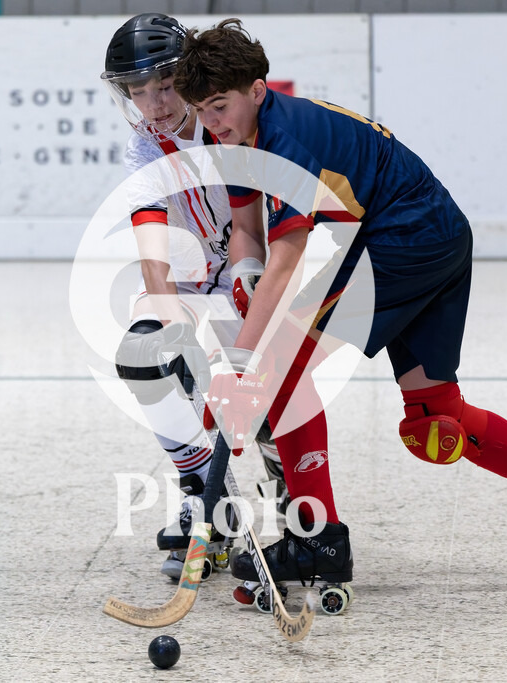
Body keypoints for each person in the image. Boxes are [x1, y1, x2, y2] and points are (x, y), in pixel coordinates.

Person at [174, 18, 507, 590]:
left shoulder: (284, 142)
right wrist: (245, 282)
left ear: (257, 89)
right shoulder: (236, 136)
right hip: (434, 232)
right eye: (201, 109)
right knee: (435, 417)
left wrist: (244, 367)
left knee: (283, 367)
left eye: (220, 105)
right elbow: (249, 229)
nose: (210, 121)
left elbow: (289, 255)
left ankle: (317, 539)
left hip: (407, 237)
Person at [101, 13, 289, 580]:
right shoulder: (142, 150)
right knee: (143, 353)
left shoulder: (227, 120)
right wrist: (169, 321)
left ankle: (288, 487)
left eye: (164, 86)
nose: (155, 104)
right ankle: (203, 496)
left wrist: (246, 281)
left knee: (254, 391)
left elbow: (255, 220)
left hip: (245, 262)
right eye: (139, 92)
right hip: (186, 279)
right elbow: (152, 251)